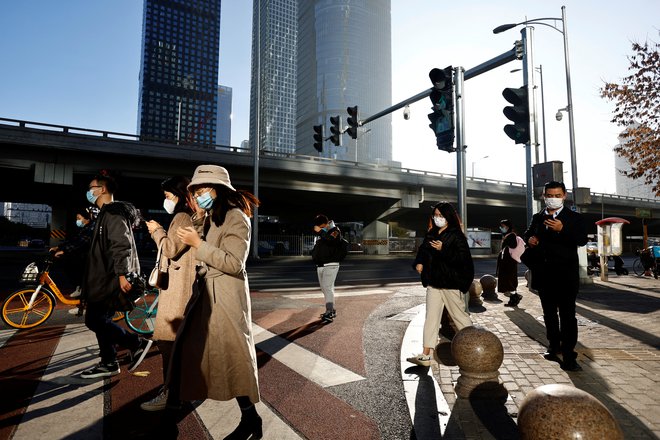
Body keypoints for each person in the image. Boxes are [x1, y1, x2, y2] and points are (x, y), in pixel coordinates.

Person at [174, 164, 262, 439]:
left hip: (225, 295)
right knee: (193, 352)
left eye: (203, 190)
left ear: (219, 190)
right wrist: (199, 220)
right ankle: (177, 403)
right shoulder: (213, 217)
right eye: (196, 191)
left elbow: (234, 263)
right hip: (207, 295)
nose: (199, 194)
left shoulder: (236, 217)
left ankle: (250, 420)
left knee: (232, 358)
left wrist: (198, 244)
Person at [78, 172, 153, 379]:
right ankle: (109, 361)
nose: (88, 191)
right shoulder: (105, 214)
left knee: (94, 320)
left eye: (91, 187)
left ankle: (135, 342)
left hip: (109, 278)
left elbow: (122, 245)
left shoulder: (113, 214)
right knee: (101, 320)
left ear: (101, 189)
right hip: (105, 277)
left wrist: (122, 274)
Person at [140, 176, 196, 411]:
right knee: (175, 345)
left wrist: (157, 230)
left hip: (179, 289)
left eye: (167, 195)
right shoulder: (188, 216)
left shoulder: (182, 217)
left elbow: (171, 248)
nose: (165, 200)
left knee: (168, 344)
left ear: (179, 195)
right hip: (181, 286)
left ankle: (171, 394)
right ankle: (179, 392)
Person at [523, 181, 587, 372]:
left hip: (566, 276)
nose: (553, 198)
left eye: (557, 195)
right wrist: (530, 239)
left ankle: (569, 355)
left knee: (567, 316)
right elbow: (527, 234)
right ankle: (554, 346)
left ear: (564, 196)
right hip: (544, 275)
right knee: (549, 314)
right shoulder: (538, 217)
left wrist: (562, 229)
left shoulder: (574, 218)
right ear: (544, 196)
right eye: (549, 195)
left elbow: (582, 240)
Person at [408, 202, 474, 367]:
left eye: (440, 215)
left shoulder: (456, 236)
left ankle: (475, 348)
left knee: (459, 317)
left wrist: (443, 249)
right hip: (434, 283)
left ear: (448, 217)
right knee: (431, 318)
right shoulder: (432, 233)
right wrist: (419, 263)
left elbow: (463, 260)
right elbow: (423, 251)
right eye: (435, 215)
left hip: (450, 283)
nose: (437, 218)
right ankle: (425, 355)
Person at [49, 206, 98, 298]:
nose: (77, 221)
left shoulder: (91, 228)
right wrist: (58, 247)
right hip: (86, 256)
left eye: (79, 218)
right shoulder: (85, 228)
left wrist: (64, 251)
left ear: (87, 218)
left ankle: (80, 289)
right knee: (70, 266)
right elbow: (74, 240)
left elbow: (81, 242)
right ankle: (80, 292)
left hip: (91, 258)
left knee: (72, 265)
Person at [311, 214, 347, 323]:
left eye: (322, 227)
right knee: (325, 289)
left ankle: (329, 311)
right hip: (321, 264)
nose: (321, 229)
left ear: (326, 224)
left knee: (327, 287)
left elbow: (330, 240)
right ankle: (332, 309)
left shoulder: (336, 231)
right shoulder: (323, 232)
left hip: (331, 264)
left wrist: (321, 231)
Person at [496, 219, 522, 307]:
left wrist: (506, 241)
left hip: (509, 262)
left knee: (510, 280)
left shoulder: (511, 236)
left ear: (508, 227)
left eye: (503, 226)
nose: (501, 228)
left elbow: (513, 245)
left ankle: (515, 298)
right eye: (501, 226)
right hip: (506, 262)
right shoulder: (507, 235)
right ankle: (514, 298)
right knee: (508, 280)